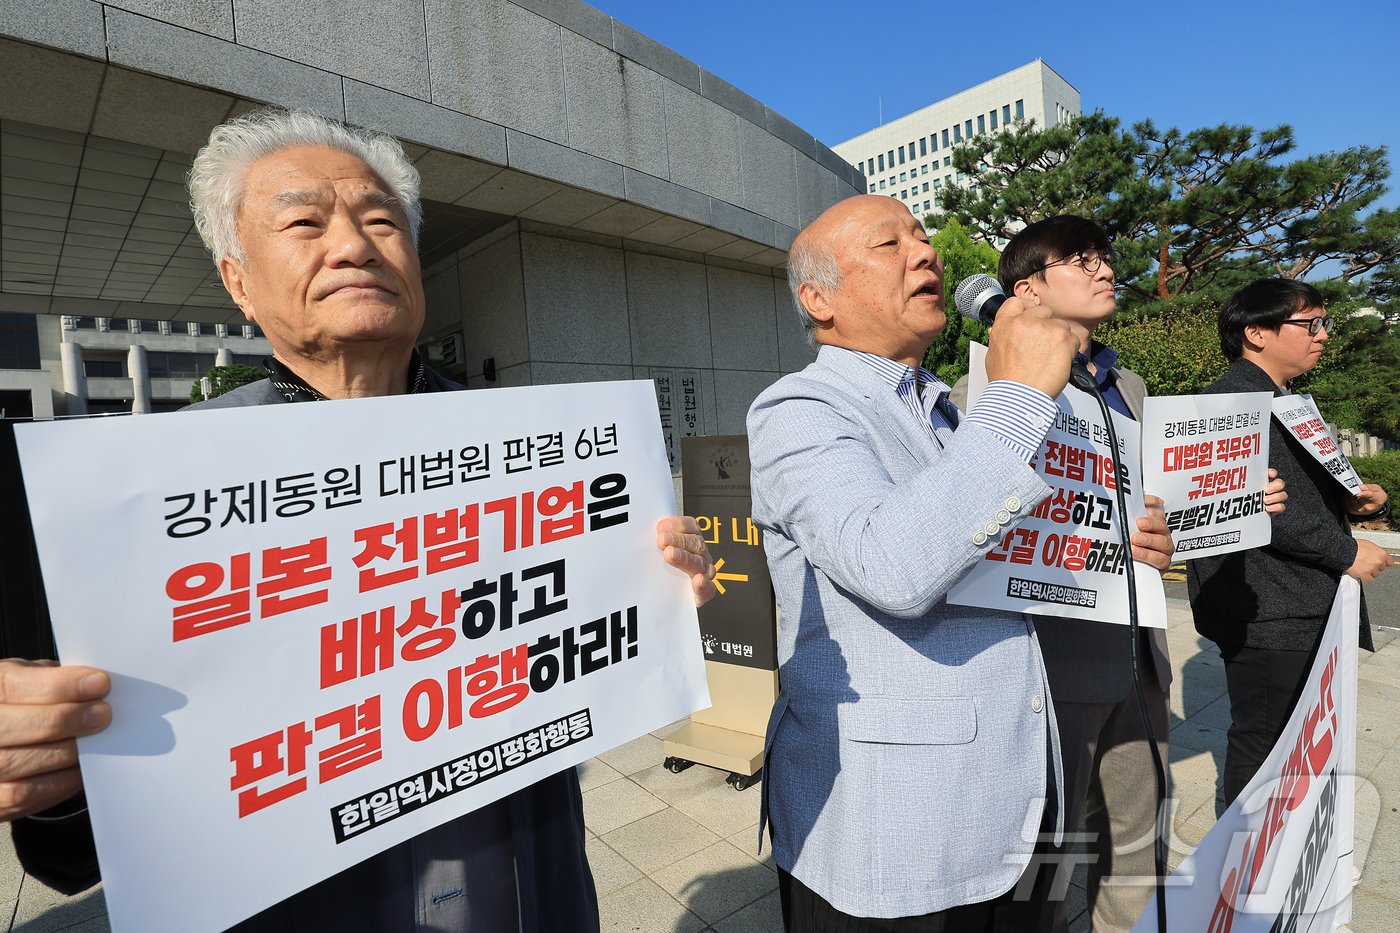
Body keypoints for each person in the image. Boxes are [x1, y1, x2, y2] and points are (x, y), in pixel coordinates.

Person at [0, 108, 718, 932]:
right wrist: (54, 766)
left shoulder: (541, 459)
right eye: (305, 221)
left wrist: (652, 590)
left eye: (381, 221)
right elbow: (75, 857)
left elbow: (596, 671)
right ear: (237, 279)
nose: (354, 245)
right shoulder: (153, 506)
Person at [746, 195, 1175, 931]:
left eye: (922, 235)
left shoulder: (947, 412)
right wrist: (1014, 399)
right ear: (819, 299)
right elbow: (892, 563)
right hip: (897, 830)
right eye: (890, 243)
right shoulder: (799, 408)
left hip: (1014, 799)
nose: (925, 252)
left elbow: (994, 547)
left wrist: (1117, 542)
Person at [1189, 278, 1393, 810]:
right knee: (1264, 745)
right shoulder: (1227, 403)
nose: (1322, 335)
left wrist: (1359, 501)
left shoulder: (1288, 401)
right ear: (1255, 333)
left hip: (1300, 601)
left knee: (1298, 744)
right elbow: (1256, 505)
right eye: (1309, 324)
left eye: (1323, 323)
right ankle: (1243, 873)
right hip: (1267, 607)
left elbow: (1299, 491)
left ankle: (1286, 868)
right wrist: (1346, 552)